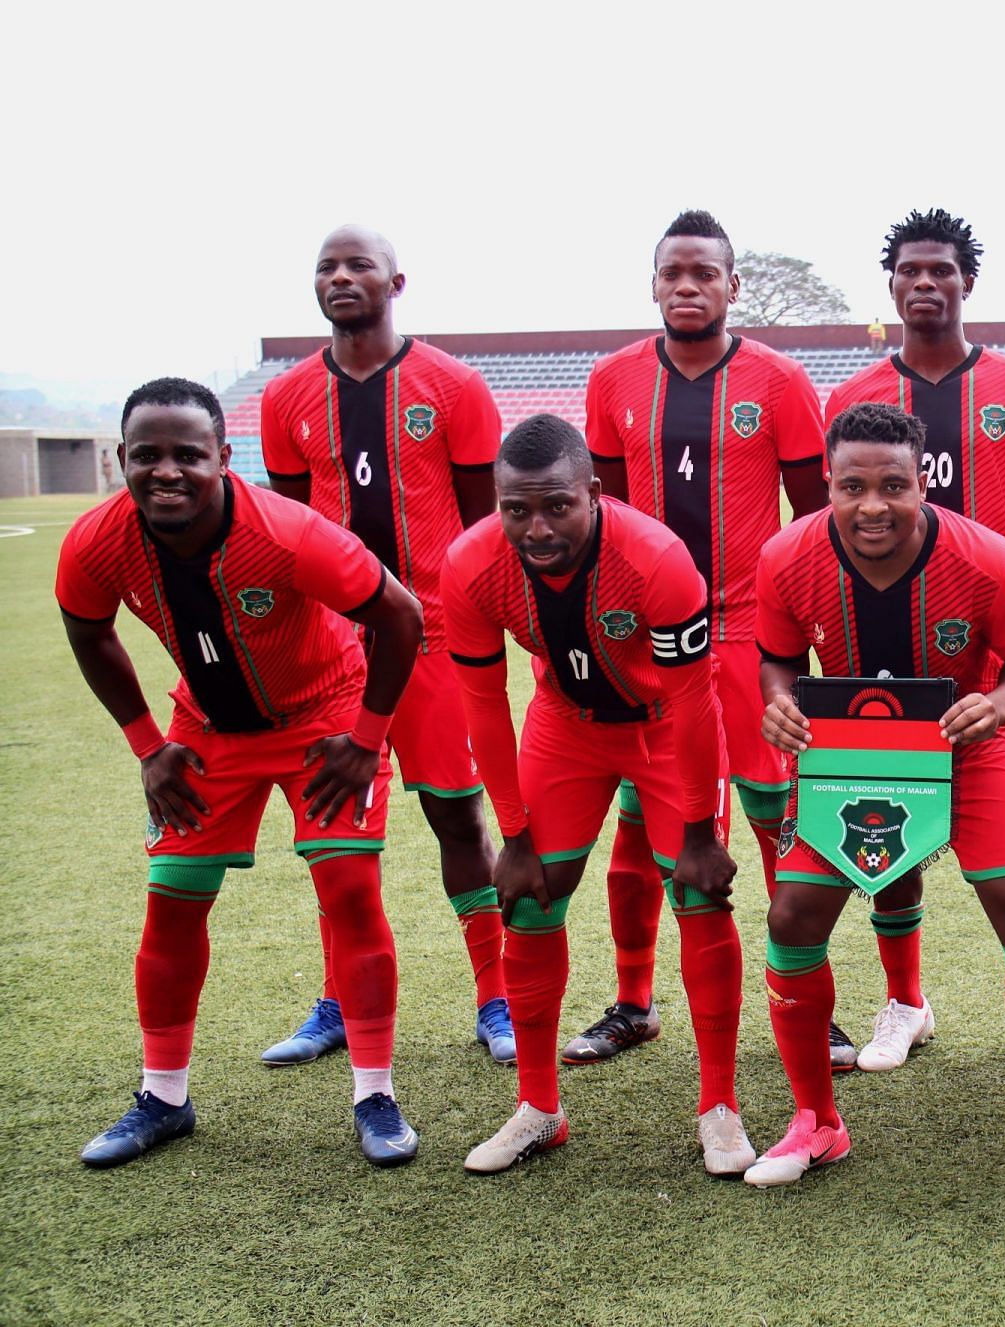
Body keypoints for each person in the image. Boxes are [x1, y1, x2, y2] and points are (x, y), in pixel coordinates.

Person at [60, 377, 424, 1167]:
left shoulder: (291, 534)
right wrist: (148, 745)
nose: (166, 470)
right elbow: (89, 631)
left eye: (188, 454)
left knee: (350, 892)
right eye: (146, 455)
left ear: (224, 458)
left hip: (323, 723)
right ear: (121, 459)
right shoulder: (96, 541)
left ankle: (375, 1093)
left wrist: (367, 736)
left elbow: (399, 614)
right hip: (205, 733)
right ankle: (163, 1096)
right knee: (172, 905)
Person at [746, 402, 1005, 1195]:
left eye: (893, 485)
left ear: (923, 479)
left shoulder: (986, 555)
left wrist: (1000, 704)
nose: (873, 504)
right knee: (793, 913)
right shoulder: (785, 554)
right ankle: (817, 1121)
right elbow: (774, 659)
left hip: (963, 744)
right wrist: (778, 699)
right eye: (851, 485)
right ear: (827, 485)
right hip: (847, 752)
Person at [443, 414, 752, 1176]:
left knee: (700, 896)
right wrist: (512, 836)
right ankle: (538, 1107)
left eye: (556, 506)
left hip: (662, 726)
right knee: (530, 897)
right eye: (516, 509)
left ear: (595, 492)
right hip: (566, 726)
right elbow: (485, 706)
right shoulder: (472, 564)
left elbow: (693, 702)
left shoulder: (657, 560)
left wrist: (702, 827)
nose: (536, 527)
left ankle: (719, 1105)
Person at [581, 209, 834, 1066]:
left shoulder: (781, 380)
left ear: (733, 285)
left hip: (743, 633)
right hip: (649, 642)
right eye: (671, 275)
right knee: (638, 821)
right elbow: (605, 519)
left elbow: (815, 520)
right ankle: (631, 1000)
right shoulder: (613, 380)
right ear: (653, 283)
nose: (687, 288)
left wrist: (796, 629)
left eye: (705, 275)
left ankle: (804, 996)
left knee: (774, 819)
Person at [258, 225, 513, 1067]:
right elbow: (287, 533)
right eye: (326, 266)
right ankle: (336, 1000)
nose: (340, 276)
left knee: (454, 812)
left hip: (436, 636)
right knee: (334, 824)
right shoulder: (287, 398)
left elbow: (484, 527)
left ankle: (496, 994)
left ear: (395, 281)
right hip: (335, 645)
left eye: (356, 264)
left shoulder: (454, 385)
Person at [824, 207, 1005, 1072]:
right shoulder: (852, 397)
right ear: (891, 285)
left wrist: (973, 605)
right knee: (889, 830)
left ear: (968, 282)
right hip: (878, 658)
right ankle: (904, 1000)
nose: (926, 283)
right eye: (910, 271)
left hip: (990, 655)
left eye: (942, 270)